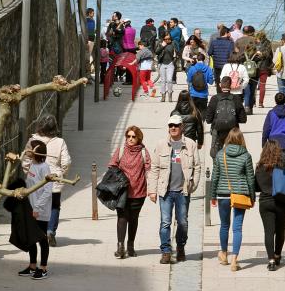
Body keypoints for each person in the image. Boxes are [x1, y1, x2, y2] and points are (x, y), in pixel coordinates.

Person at [148, 115, 201, 264]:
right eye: (171, 125)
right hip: (165, 191)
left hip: (183, 191)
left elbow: (197, 166)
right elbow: (154, 168)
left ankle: (181, 247)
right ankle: (165, 251)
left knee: (182, 222)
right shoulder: (161, 144)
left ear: (182, 127)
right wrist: (152, 190)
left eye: (176, 125)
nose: (173, 128)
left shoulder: (190, 144)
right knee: (165, 222)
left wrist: (193, 184)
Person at [24, 115, 71, 247]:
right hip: (54, 180)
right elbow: (66, 162)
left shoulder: (32, 141)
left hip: (36, 181)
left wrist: (29, 172)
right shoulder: (60, 142)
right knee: (54, 206)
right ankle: (50, 232)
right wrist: (61, 173)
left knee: (35, 205)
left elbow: (26, 160)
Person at [211, 128, 255, 272]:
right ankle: (235, 260)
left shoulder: (220, 155)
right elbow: (250, 178)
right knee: (237, 228)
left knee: (224, 225)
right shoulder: (246, 156)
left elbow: (215, 176)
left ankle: (224, 254)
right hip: (240, 194)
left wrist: (212, 195)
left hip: (223, 194)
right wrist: (252, 197)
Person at [109, 125, 151, 259]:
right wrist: (119, 178)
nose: (131, 139)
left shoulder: (143, 152)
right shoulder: (121, 150)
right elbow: (112, 165)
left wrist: (152, 188)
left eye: (133, 137)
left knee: (133, 219)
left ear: (138, 138)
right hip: (122, 192)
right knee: (122, 218)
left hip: (139, 192)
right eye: (128, 136)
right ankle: (120, 247)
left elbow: (150, 169)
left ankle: (130, 247)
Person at [255, 140, 285, 270]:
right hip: (283, 203)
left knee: (268, 232)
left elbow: (256, 186)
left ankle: (271, 260)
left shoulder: (260, 167)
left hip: (266, 202)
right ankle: (278, 255)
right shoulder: (284, 165)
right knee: (280, 230)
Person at [19, 140, 53, 280]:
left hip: (40, 210)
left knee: (41, 238)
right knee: (31, 239)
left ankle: (43, 268)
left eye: (30, 148)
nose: (27, 149)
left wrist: (37, 207)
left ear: (36, 152)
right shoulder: (33, 164)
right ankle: (32, 266)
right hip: (31, 207)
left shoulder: (44, 168)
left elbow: (47, 190)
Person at [205, 75, 248, 159]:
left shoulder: (214, 98)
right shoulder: (236, 99)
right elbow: (243, 119)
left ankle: (217, 169)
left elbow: (208, 120)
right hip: (233, 131)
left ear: (220, 85)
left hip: (217, 130)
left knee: (216, 155)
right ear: (231, 86)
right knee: (234, 155)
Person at [262, 93, 285, 163]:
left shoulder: (271, 113)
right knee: (282, 165)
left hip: (272, 143)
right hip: (284, 142)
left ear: (275, 101)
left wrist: (264, 144)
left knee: (272, 164)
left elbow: (266, 129)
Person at [208, 25, 234, 90]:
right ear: (226, 33)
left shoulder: (214, 42)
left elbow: (209, 53)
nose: (230, 34)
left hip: (216, 65)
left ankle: (219, 96)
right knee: (226, 82)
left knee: (218, 82)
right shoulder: (230, 43)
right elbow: (231, 55)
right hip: (226, 66)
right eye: (229, 32)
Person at [187, 51, 214, 117]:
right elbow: (211, 82)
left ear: (197, 59)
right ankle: (201, 125)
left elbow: (189, 80)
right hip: (203, 94)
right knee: (203, 113)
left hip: (193, 93)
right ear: (204, 59)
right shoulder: (208, 69)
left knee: (193, 113)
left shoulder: (192, 68)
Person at [155, 32, 176, 103]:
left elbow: (176, 53)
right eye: (165, 39)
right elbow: (156, 52)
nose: (167, 40)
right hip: (162, 64)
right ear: (163, 39)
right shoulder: (161, 43)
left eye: (169, 39)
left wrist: (174, 60)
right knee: (163, 81)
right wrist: (162, 46)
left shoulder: (173, 44)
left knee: (169, 80)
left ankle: (170, 94)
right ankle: (163, 96)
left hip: (170, 63)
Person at [255, 30, 274, 108]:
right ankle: (260, 103)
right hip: (265, 67)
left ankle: (252, 102)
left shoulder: (255, 43)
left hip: (255, 67)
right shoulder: (268, 43)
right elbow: (270, 55)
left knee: (253, 86)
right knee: (263, 85)